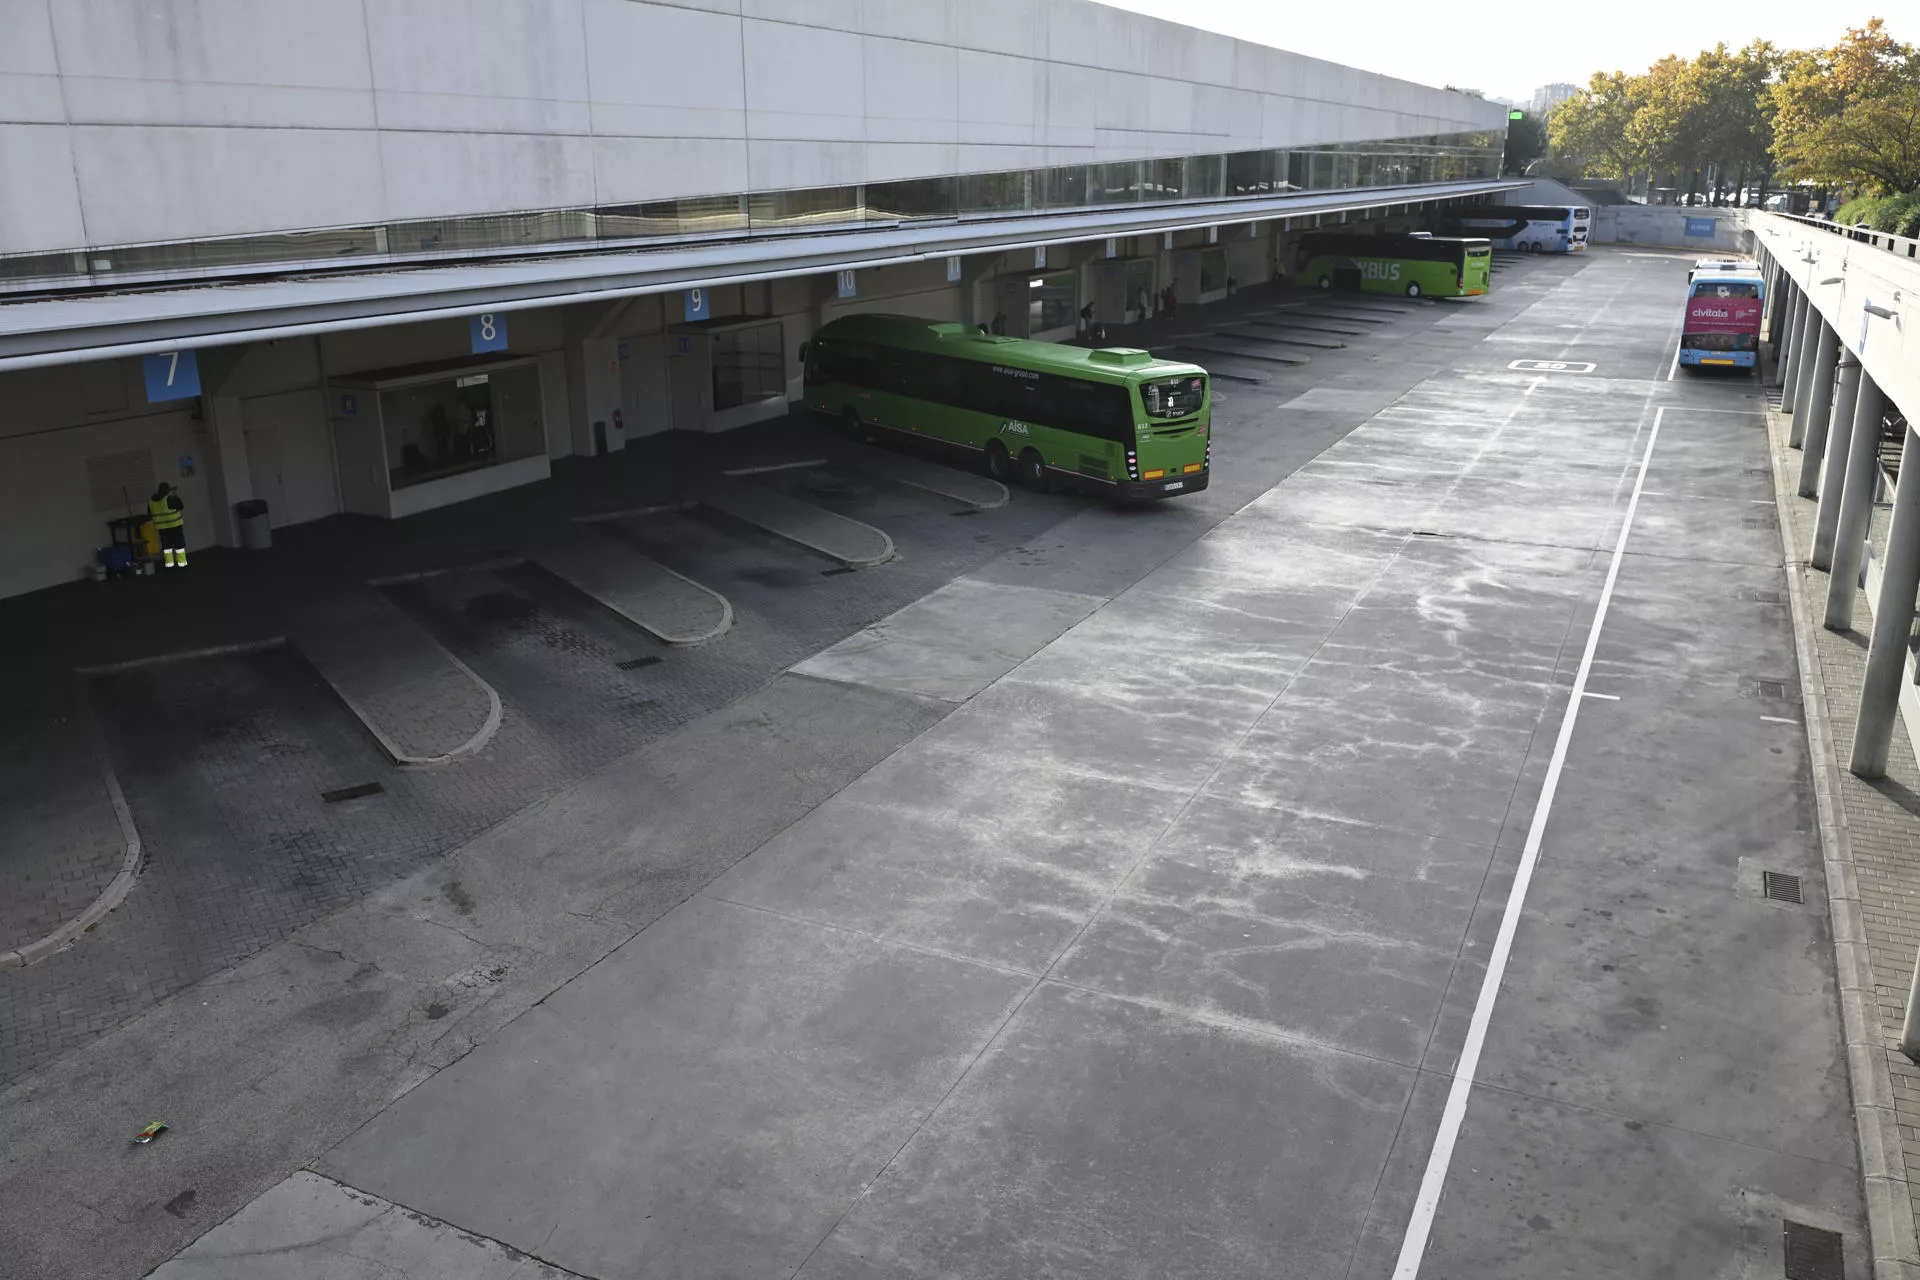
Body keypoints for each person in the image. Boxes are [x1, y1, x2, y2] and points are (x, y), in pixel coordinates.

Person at [148, 482, 187, 569]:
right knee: (179, 546)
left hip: (162, 529)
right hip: (175, 526)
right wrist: (175, 496)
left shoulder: (151, 501)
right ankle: (182, 564)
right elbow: (181, 506)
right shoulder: (169, 499)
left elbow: (149, 514)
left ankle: (169, 565)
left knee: (167, 548)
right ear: (167, 491)